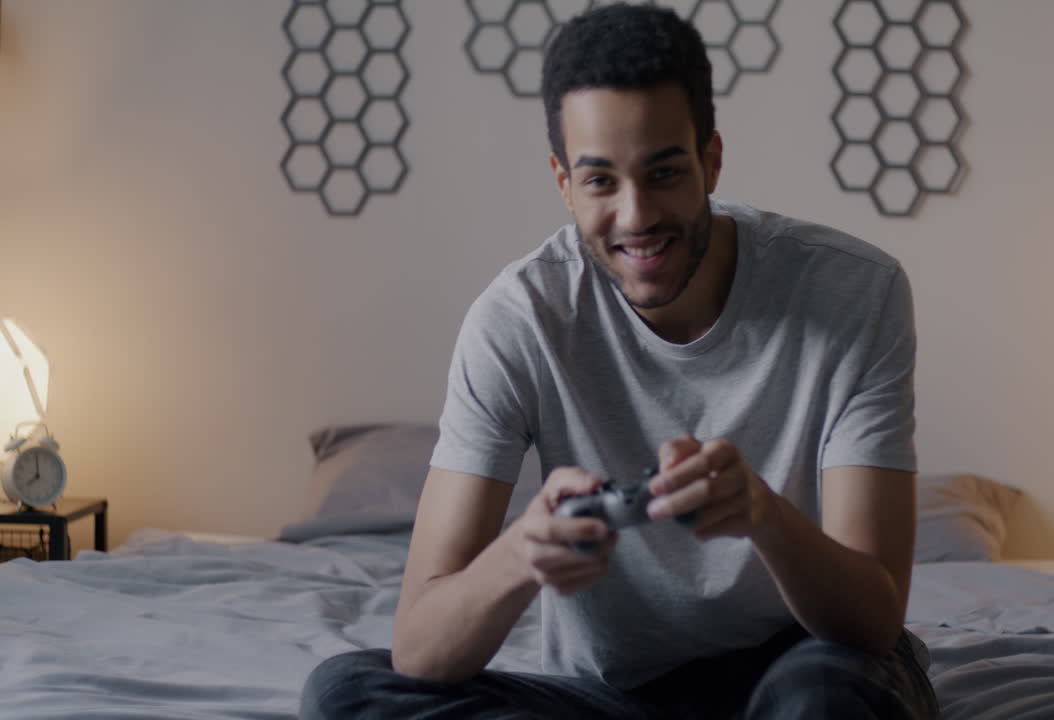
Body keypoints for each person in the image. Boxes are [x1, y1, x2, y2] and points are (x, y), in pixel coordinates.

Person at [301, 4, 938, 718]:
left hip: (805, 666)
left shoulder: (855, 293)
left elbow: (872, 621)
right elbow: (420, 645)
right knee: (345, 693)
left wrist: (764, 515)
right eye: (601, 181)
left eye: (663, 172)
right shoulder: (519, 321)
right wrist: (519, 555)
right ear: (563, 182)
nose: (636, 216)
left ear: (711, 160)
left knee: (825, 695)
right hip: (612, 699)